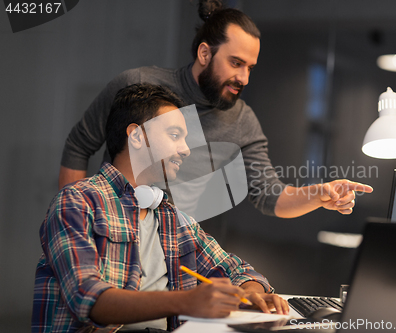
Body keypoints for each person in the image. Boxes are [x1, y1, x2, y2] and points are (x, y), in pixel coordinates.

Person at [59, 0, 372, 219]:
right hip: (111, 234)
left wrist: (320, 194)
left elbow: (269, 195)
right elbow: (79, 145)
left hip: (173, 250)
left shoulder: (242, 121)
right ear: (205, 53)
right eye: (236, 63)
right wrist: (77, 221)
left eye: (250, 67)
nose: (244, 78)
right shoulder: (136, 84)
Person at [32, 83, 288, 333]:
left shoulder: (173, 218)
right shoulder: (76, 202)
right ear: (136, 136)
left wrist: (251, 293)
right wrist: (187, 301)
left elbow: (237, 270)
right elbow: (88, 299)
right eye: (175, 136)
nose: (186, 150)